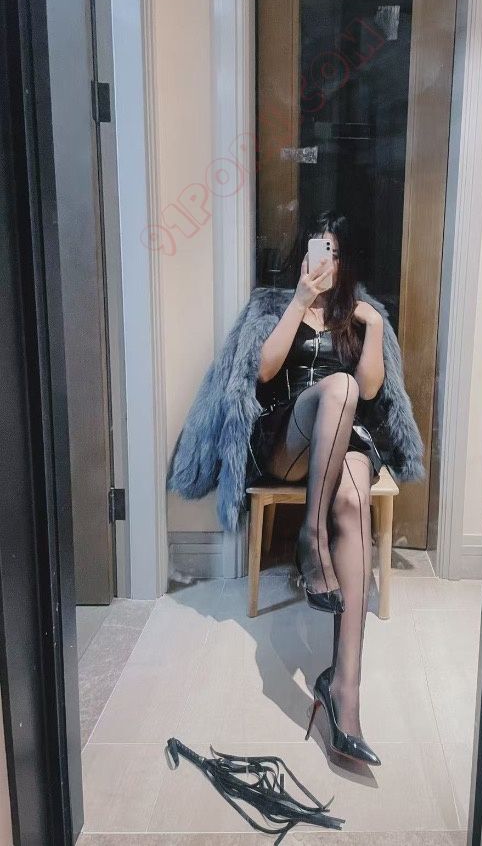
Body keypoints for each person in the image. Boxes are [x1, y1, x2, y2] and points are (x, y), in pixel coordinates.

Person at [166, 209, 424, 768]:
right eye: (317, 250)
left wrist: (375, 328)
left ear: (344, 261)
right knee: (336, 387)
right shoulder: (273, 306)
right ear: (304, 257)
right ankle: (312, 536)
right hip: (286, 440)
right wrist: (299, 301)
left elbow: (372, 391)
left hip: (347, 441)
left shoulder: (361, 315)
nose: (325, 262)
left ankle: (345, 691)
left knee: (352, 497)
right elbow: (263, 372)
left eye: (334, 252)